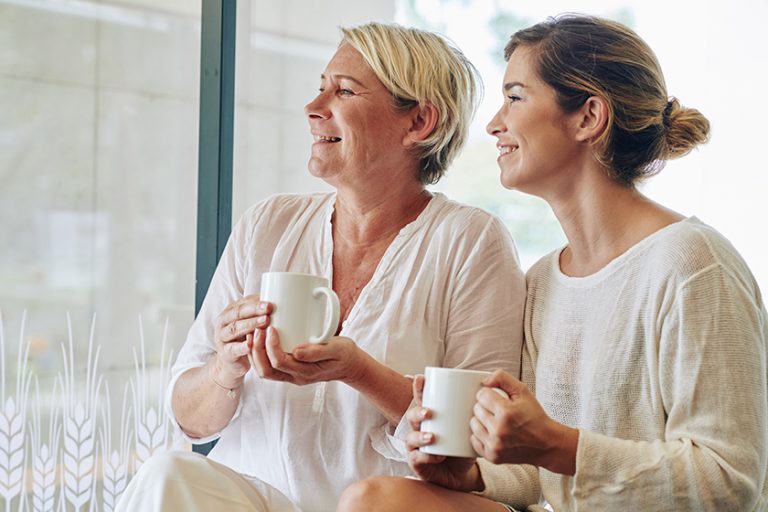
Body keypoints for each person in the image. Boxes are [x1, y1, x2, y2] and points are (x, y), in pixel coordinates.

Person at [337, 14, 768, 512]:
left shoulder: (693, 263)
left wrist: (557, 445)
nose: (494, 123)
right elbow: (537, 477)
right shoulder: (545, 280)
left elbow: (730, 480)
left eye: (515, 97)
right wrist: (474, 473)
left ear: (588, 117)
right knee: (374, 500)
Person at [116, 22, 526, 512]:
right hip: (251, 498)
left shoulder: (470, 242)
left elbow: (477, 444)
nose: (313, 109)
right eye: (320, 87)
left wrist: (360, 371)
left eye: (344, 91)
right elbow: (190, 419)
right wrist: (226, 366)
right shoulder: (268, 224)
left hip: (376, 504)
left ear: (419, 123)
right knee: (168, 473)